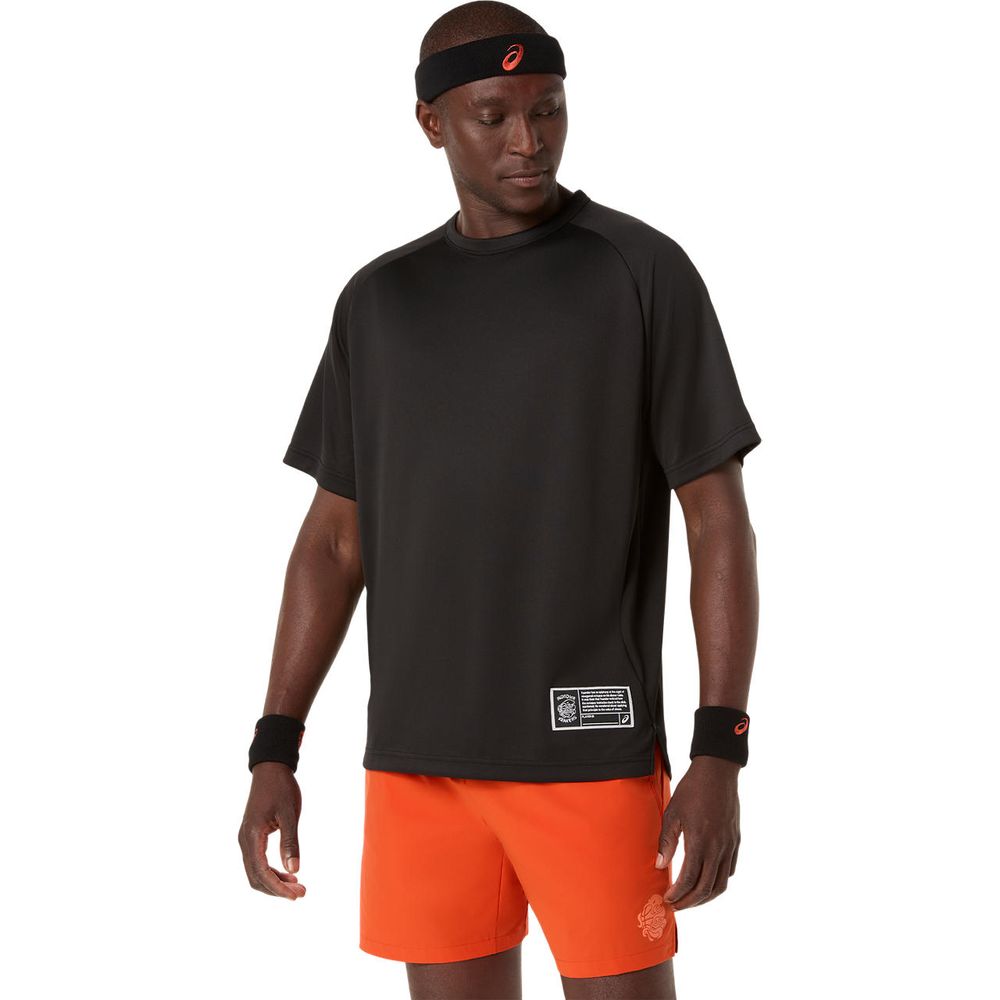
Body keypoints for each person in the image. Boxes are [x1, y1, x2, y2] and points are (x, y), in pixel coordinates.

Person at [238, 4, 761, 998]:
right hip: (418, 761)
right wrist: (275, 747)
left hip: (590, 749)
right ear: (431, 122)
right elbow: (335, 541)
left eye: (548, 109)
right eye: (494, 116)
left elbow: (716, 519)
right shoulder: (379, 302)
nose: (529, 140)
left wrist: (719, 749)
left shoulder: (640, 271)